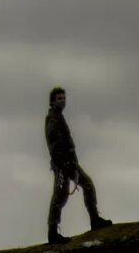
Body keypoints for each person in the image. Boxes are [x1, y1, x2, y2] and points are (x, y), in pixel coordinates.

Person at [44, 86, 111, 243]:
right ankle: (52, 233)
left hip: (70, 163)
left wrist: (72, 161)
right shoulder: (52, 119)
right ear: (52, 101)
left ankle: (94, 219)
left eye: (64, 98)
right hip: (62, 164)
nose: (63, 101)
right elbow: (54, 144)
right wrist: (63, 163)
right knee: (59, 196)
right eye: (59, 99)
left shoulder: (58, 117)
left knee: (87, 184)